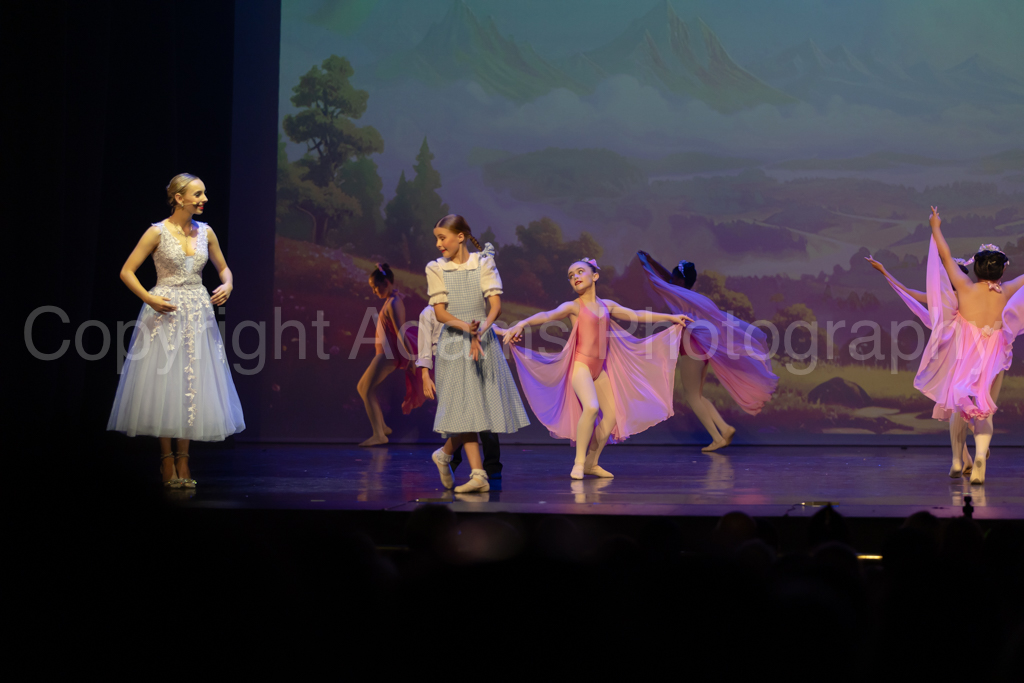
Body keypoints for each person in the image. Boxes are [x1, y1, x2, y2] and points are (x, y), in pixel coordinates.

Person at [108, 173, 245, 488]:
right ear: (179, 198)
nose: (204, 199)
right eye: (198, 194)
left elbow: (223, 268)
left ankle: (184, 457)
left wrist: (228, 284)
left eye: (204, 193)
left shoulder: (206, 232)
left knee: (192, 380)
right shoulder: (157, 232)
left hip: (197, 311)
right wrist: (149, 298)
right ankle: (166, 459)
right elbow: (127, 271)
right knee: (165, 382)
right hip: (165, 310)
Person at [502, 258, 690, 479]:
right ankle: (579, 463)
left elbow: (637, 315)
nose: (575, 277)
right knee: (591, 408)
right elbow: (547, 315)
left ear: (595, 276)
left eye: (580, 272)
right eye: (571, 276)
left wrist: (670, 317)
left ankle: (591, 463)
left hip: (598, 371)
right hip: (580, 367)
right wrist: (522, 323)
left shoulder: (606, 306)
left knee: (610, 417)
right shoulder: (574, 306)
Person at [915, 206, 1024, 484]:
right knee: (985, 410)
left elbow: (946, 256)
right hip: (994, 356)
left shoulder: (964, 286)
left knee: (959, 407)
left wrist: (936, 226)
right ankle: (980, 459)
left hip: (966, 356)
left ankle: (956, 460)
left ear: (975, 267)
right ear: (1002, 269)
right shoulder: (1007, 290)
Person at [425, 214, 529, 493]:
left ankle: (453, 459)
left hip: (482, 342)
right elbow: (440, 313)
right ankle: (474, 472)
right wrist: (467, 328)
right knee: (467, 408)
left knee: (478, 408)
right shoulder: (436, 268)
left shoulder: (483, 262)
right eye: (436, 239)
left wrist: (480, 330)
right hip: (454, 344)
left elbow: (495, 306)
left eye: (442, 238)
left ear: (460, 237)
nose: (438, 244)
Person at [636, 251, 778, 451]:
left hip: (693, 347)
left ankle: (717, 438)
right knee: (698, 395)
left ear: (680, 281)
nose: (670, 280)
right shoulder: (690, 295)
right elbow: (668, 278)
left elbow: (656, 281)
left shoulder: (678, 294)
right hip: (700, 348)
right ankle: (724, 429)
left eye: (674, 278)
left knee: (692, 396)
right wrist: (653, 261)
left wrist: (644, 262)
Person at [864, 255, 980, 477]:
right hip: (959, 355)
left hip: (955, 357)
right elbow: (909, 293)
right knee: (957, 407)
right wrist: (884, 271)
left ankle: (975, 443)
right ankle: (966, 458)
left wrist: (884, 271)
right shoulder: (955, 298)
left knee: (959, 406)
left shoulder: (950, 298)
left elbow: (908, 292)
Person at [416, 304, 503, 484]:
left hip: (473, 359)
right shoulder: (429, 312)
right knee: (458, 415)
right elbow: (424, 346)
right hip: (448, 364)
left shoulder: (461, 304)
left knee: (484, 413)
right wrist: (425, 375)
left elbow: (479, 324)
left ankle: (491, 466)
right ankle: (450, 460)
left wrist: (504, 331)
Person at [357, 263, 418, 446]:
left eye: (376, 287)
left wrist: (411, 357)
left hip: (387, 355)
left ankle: (379, 435)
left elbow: (400, 331)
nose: (374, 291)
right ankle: (382, 427)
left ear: (386, 283)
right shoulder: (391, 300)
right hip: (384, 353)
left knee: (367, 391)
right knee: (362, 387)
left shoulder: (394, 303)